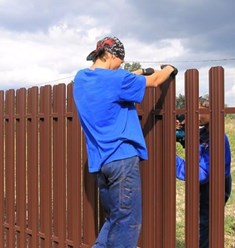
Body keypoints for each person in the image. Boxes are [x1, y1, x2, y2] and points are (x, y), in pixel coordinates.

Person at [73, 36, 177, 248]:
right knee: (128, 222)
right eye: (121, 60)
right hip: (122, 160)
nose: (122, 65)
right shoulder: (117, 81)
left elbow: (114, 79)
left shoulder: (81, 79)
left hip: (100, 163)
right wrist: (169, 69)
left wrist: (137, 72)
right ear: (112, 55)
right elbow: (156, 81)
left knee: (114, 220)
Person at [175, 97, 232, 248]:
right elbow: (193, 143)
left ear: (210, 112)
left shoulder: (217, 138)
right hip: (207, 184)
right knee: (202, 220)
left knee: (204, 222)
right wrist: (180, 132)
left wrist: (172, 159)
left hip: (214, 186)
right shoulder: (205, 132)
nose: (195, 115)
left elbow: (200, 173)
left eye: (199, 111)